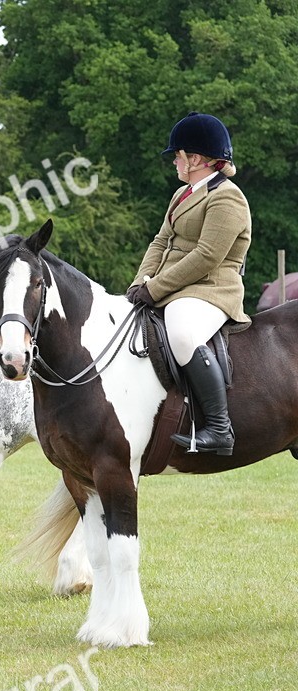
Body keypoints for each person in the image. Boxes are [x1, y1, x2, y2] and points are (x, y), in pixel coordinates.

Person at [128, 112, 250, 456]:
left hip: (211, 289)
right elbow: (160, 242)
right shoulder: (183, 194)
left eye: (178, 155)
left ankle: (220, 428)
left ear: (195, 159)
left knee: (182, 333)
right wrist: (139, 282)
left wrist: (155, 289)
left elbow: (207, 256)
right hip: (178, 286)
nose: (175, 162)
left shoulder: (227, 197)